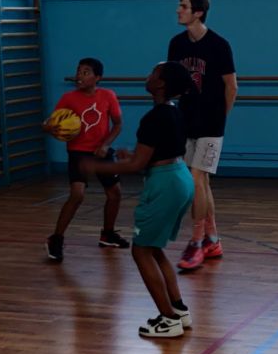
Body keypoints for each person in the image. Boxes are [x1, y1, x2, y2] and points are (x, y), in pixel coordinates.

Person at [83, 62, 197, 338]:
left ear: (161, 84)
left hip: (165, 183)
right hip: (180, 177)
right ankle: (178, 310)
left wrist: (95, 167)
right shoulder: (173, 112)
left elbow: (137, 166)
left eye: (153, 74)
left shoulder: (154, 117)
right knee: (154, 248)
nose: (148, 77)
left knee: (141, 250)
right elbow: (156, 153)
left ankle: (168, 320)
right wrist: (129, 156)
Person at [168, 0, 238, 271]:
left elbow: (231, 86)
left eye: (183, 7)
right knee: (200, 184)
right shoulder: (176, 44)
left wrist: (220, 118)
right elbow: (173, 82)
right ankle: (213, 238)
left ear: (198, 12)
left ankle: (196, 242)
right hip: (186, 122)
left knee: (196, 180)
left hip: (211, 124)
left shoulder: (219, 45)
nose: (178, 11)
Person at [43, 58, 126, 262]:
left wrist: (105, 145)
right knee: (77, 194)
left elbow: (117, 125)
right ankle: (56, 238)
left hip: (101, 151)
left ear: (98, 77)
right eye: (79, 71)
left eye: (86, 72)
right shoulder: (68, 98)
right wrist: (48, 127)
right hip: (78, 153)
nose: (80, 75)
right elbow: (50, 122)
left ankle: (108, 234)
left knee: (115, 193)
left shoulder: (108, 96)